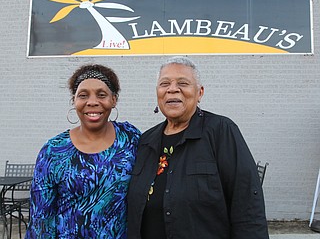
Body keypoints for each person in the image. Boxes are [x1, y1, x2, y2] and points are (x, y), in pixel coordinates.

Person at [127, 56, 269, 239]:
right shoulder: (146, 141)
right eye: (164, 84)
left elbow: (248, 204)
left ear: (199, 92)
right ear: (157, 93)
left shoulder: (221, 131)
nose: (172, 89)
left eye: (183, 83)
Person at [25, 64, 141, 238]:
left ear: (114, 99)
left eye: (102, 95)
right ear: (74, 100)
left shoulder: (130, 139)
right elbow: (41, 219)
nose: (92, 102)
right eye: (83, 95)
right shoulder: (54, 151)